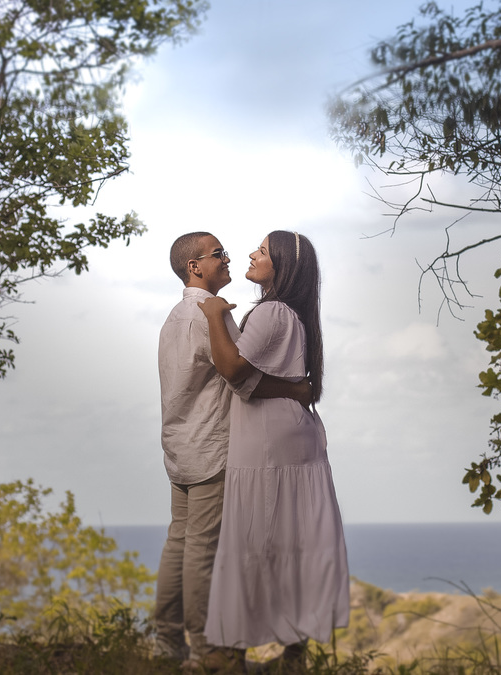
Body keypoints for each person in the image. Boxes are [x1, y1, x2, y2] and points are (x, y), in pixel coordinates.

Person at [156, 232, 310, 673]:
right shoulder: (210, 316)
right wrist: (296, 390)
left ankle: (166, 641)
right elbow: (242, 379)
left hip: (180, 448)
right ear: (194, 266)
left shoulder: (174, 316)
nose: (227, 259)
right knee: (204, 551)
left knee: (179, 544)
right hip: (212, 448)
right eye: (218, 254)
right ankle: (208, 652)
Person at [197, 230, 349, 671]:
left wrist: (212, 314)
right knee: (293, 539)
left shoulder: (271, 313)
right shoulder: (292, 315)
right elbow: (265, 382)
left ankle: (234, 651)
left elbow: (231, 369)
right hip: (290, 435)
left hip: (268, 441)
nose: (250, 254)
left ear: (281, 267)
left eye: (261, 251)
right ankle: (292, 649)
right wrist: (295, 387)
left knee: (255, 539)